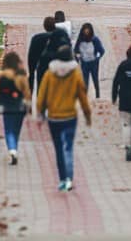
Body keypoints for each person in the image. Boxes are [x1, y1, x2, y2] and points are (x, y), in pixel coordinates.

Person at [37, 43, 91, 191]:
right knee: (68, 148)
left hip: (54, 117)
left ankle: (62, 179)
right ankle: (69, 178)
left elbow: (42, 94)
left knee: (59, 149)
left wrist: (40, 112)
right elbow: (82, 95)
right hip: (69, 116)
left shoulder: (49, 73)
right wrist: (87, 113)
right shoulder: (75, 74)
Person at [0, 51, 32, 165]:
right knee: (16, 131)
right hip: (20, 108)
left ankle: (12, 150)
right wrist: (29, 106)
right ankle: (14, 149)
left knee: (9, 131)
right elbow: (27, 93)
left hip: (6, 107)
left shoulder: (0, 75)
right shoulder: (21, 75)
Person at [27, 15, 58, 98]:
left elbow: (31, 58)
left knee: (41, 95)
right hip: (57, 70)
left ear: (44, 26)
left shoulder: (36, 38)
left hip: (42, 69)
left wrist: (31, 74)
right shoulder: (60, 37)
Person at [74, 22, 105, 98]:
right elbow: (75, 50)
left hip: (93, 63)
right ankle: (85, 97)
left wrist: (97, 58)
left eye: (88, 31)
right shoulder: (80, 40)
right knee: (85, 81)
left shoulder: (95, 39)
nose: (86, 33)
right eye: (85, 31)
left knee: (95, 80)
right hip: (84, 63)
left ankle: (98, 96)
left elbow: (101, 51)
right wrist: (78, 58)